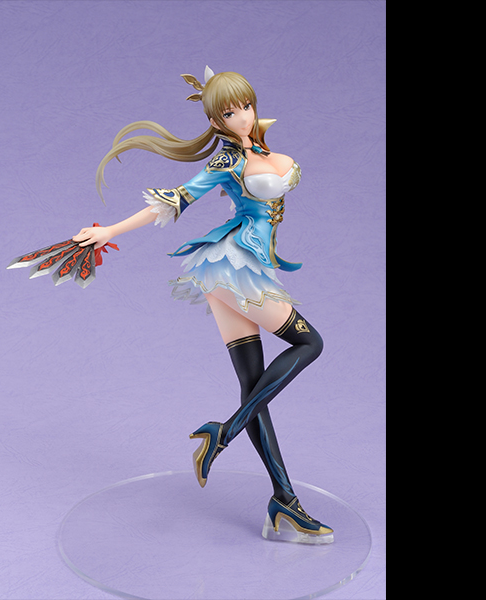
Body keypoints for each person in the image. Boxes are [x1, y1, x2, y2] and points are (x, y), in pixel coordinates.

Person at [73, 67, 333, 542]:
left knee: (253, 384)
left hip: (241, 270)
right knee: (309, 343)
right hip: (234, 267)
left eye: (246, 106)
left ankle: (284, 501)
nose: (242, 117)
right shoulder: (226, 161)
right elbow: (175, 199)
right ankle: (224, 432)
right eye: (230, 113)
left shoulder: (260, 152)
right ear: (215, 122)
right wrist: (109, 230)